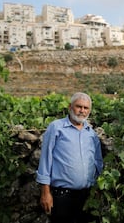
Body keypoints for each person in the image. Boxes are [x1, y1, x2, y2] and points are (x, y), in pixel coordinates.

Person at [36, 92, 103, 223]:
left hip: (86, 196)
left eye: (86, 108)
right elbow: (45, 159)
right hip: (62, 197)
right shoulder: (56, 128)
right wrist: (45, 193)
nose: (82, 111)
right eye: (79, 106)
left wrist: (96, 187)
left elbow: (98, 162)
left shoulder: (92, 134)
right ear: (70, 107)